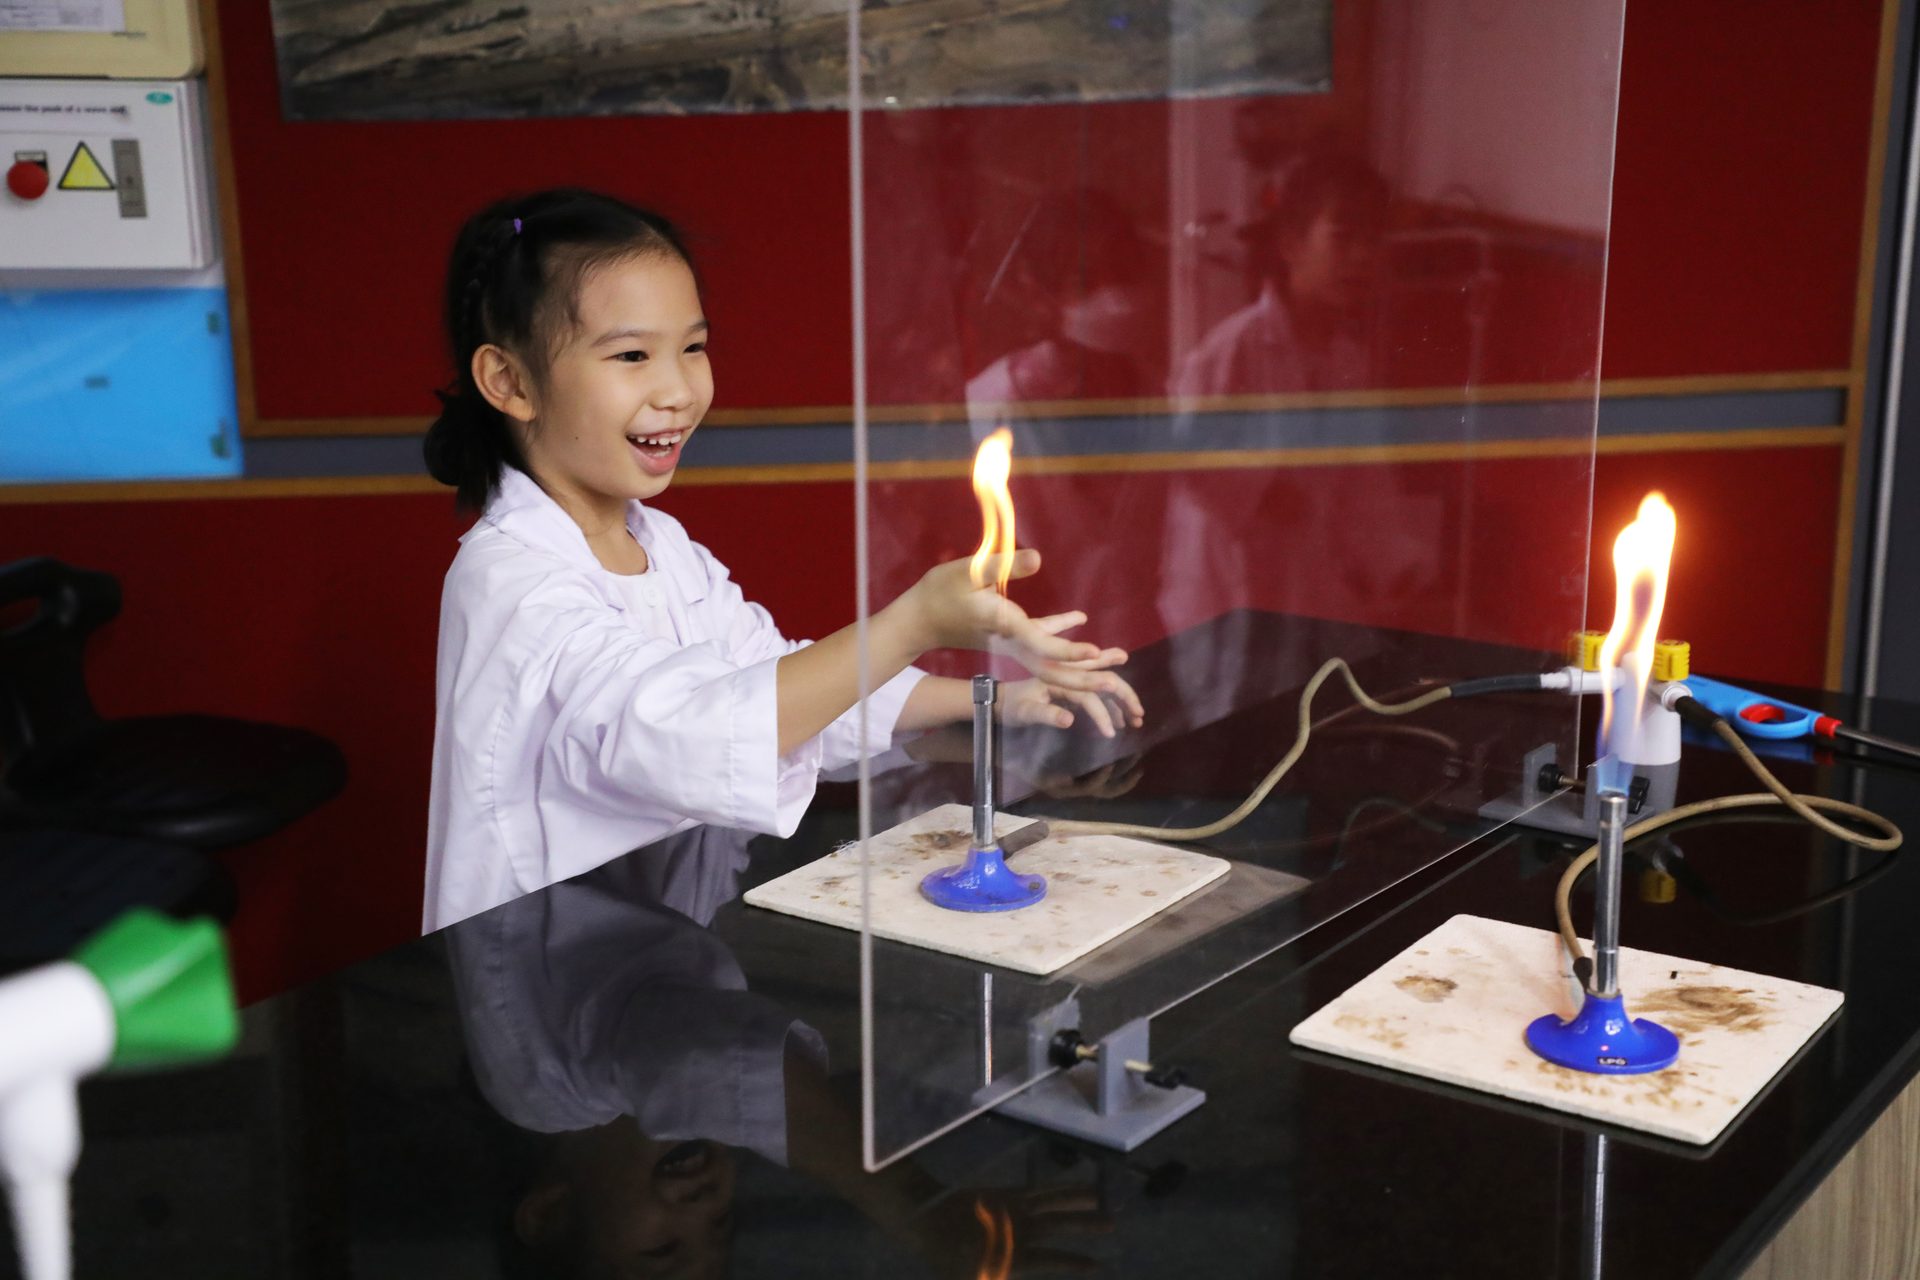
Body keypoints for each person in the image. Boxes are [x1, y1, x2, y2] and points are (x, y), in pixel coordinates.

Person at [421, 188, 1142, 930]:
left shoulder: (662, 546)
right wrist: (914, 622)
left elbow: (786, 692)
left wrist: (998, 705)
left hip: (657, 945)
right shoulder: (509, 580)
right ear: (508, 381)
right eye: (632, 355)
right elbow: (692, 735)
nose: (678, 389)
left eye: (693, 348)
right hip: (549, 965)